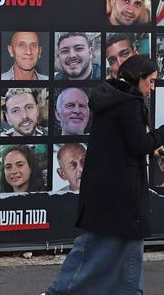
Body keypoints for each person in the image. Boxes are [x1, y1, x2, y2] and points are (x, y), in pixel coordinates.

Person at [43, 55, 164, 295]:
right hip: (119, 192)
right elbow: (138, 144)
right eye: (150, 81)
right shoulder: (129, 102)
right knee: (93, 247)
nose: (152, 87)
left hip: (111, 188)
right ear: (138, 77)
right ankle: (57, 292)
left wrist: (154, 142)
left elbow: (123, 142)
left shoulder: (113, 98)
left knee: (127, 244)